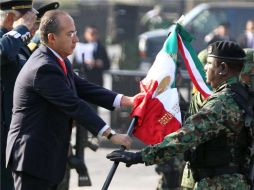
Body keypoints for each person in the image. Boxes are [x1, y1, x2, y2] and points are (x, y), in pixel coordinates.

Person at [5, 10, 137, 190]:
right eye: (69, 34)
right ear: (51, 37)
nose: (75, 40)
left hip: (47, 158)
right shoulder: (43, 67)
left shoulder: (58, 59)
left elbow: (83, 87)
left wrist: (125, 100)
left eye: (75, 33)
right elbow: (74, 105)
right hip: (32, 159)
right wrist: (111, 135)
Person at [107, 41, 251, 189]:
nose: (205, 68)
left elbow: (185, 137)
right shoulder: (243, 95)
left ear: (222, 68)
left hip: (219, 183)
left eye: (208, 63)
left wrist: (140, 156)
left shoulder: (221, 102)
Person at [0, 1, 37, 190]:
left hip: (14, 131)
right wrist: (21, 29)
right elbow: (3, 51)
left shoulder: (15, 43)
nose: (30, 20)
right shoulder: (8, 41)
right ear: (8, 17)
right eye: (25, 15)